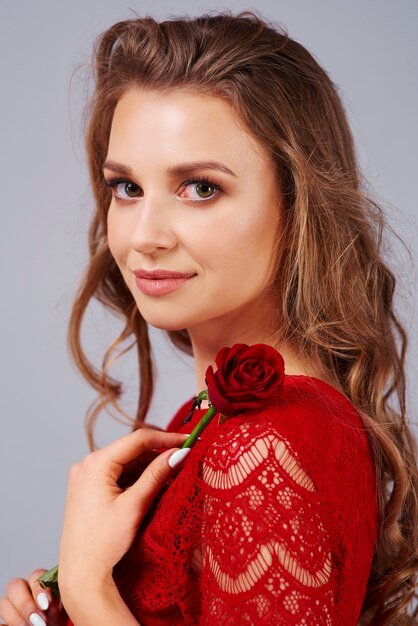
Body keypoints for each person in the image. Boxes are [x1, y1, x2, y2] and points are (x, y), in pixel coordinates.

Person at [1, 9, 417, 626]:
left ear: (298, 205)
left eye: (200, 187)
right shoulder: (227, 415)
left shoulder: (266, 446)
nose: (144, 237)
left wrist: (89, 589)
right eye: (126, 187)